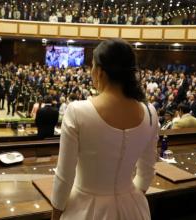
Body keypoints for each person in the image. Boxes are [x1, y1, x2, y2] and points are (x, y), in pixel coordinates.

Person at [51, 39, 158, 220]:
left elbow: (64, 176)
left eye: (92, 66)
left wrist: (55, 217)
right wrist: (127, 199)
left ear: (100, 72)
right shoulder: (150, 112)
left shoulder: (78, 111)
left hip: (85, 210)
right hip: (134, 209)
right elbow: (147, 173)